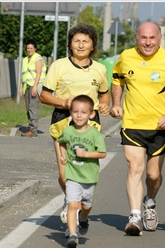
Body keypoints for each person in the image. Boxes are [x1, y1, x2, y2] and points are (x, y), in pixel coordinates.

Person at [109, 22, 165, 236]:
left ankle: (149, 203)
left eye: (152, 38)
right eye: (143, 37)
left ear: (160, 38)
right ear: (136, 37)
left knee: (153, 175)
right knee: (135, 168)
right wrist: (116, 103)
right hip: (132, 124)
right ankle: (134, 216)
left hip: (161, 128)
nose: (148, 42)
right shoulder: (126, 56)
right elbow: (117, 81)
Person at [39, 24, 110, 230]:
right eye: (76, 41)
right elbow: (44, 95)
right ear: (70, 44)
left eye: (85, 41)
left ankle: (78, 206)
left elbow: (104, 93)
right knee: (65, 174)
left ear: (93, 45)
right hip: (63, 121)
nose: (81, 45)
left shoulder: (100, 69)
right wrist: (64, 103)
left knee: (83, 171)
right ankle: (70, 200)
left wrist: (104, 104)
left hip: (90, 124)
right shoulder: (59, 66)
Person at [57, 95, 107, 248]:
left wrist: (86, 154)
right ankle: (73, 235)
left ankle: (83, 219)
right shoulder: (68, 131)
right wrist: (62, 154)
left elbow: (102, 153)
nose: (79, 115)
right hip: (73, 175)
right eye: (75, 112)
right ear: (71, 113)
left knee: (86, 206)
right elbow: (61, 142)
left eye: (83, 112)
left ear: (91, 114)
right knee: (72, 204)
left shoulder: (94, 134)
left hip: (89, 177)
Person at [18, 38, 47, 137]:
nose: (29, 50)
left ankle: (33, 130)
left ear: (35, 48)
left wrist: (35, 87)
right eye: (28, 48)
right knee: (28, 108)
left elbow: (38, 73)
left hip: (35, 85)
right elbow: (24, 75)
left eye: (31, 48)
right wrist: (21, 87)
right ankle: (30, 127)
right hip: (27, 86)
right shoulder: (25, 59)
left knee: (32, 107)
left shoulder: (37, 58)